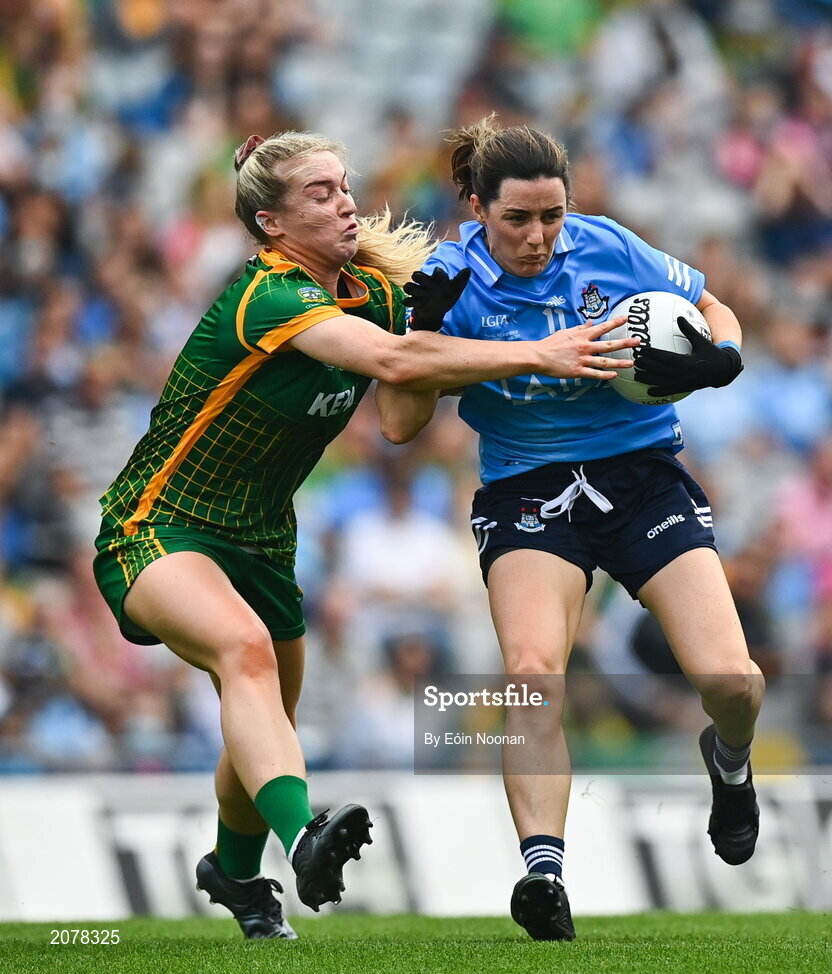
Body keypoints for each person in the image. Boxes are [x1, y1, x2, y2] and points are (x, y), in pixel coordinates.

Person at [92, 130, 636, 940]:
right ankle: (303, 835)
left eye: (344, 186)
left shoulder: (374, 293)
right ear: (271, 225)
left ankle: (234, 875)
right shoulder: (269, 296)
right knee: (244, 654)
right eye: (318, 192)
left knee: (264, 709)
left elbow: (399, 418)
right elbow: (391, 362)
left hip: (264, 542)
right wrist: (542, 353)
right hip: (158, 524)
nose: (345, 201)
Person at [386, 116, 765, 941]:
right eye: (517, 219)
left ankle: (729, 762)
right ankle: (544, 871)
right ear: (477, 207)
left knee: (732, 682)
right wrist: (420, 336)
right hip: (528, 490)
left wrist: (722, 356)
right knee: (532, 671)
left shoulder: (605, 245)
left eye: (551, 215)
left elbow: (711, 304)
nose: (538, 237)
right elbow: (397, 422)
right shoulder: (446, 280)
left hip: (643, 479)